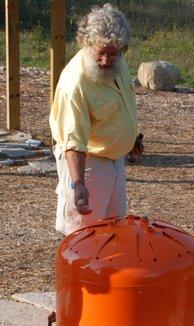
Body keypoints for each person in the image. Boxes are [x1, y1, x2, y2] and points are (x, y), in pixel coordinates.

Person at [49, 3, 143, 236]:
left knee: (114, 232)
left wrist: (130, 140)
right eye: (101, 52)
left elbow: (118, 106)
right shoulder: (76, 83)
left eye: (114, 53)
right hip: (87, 164)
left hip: (114, 161)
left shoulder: (117, 62)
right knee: (84, 237)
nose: (106, 60)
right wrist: (78, 184)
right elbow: (73, 140)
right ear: (87, 42)